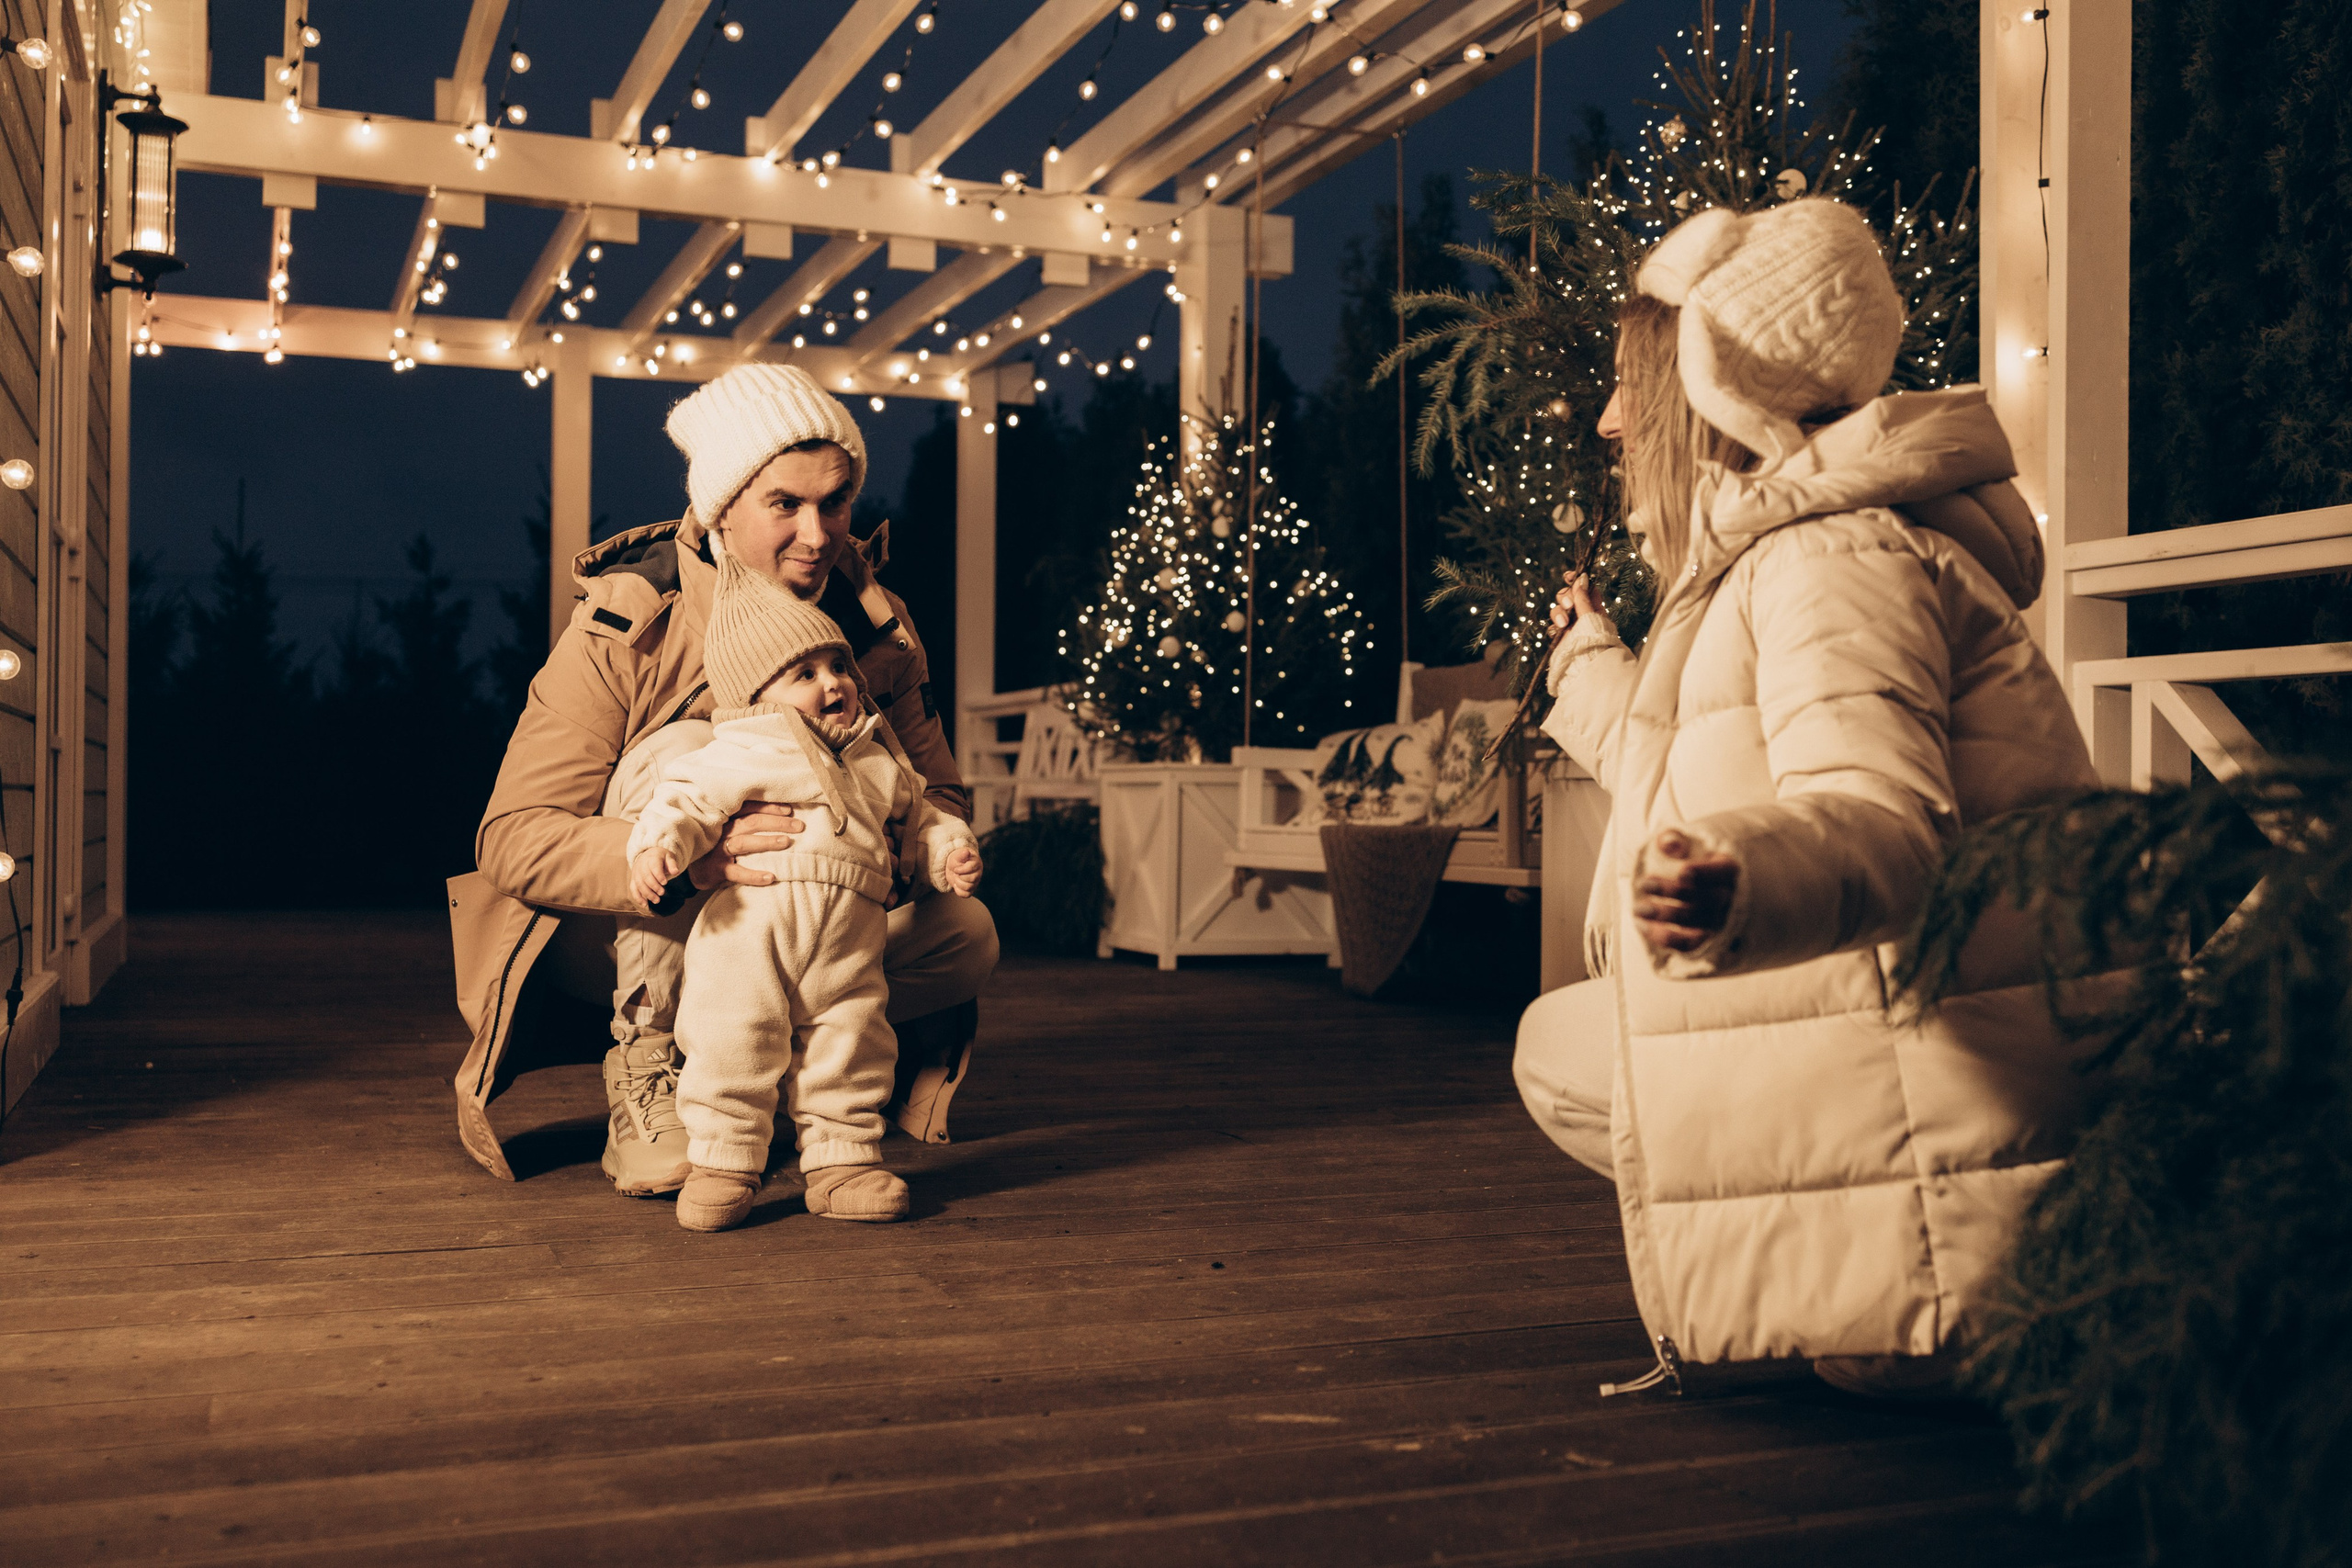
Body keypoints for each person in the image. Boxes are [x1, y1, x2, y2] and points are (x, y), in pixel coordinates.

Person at [1513, 198, 2102, 1398]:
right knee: (1570, 1033)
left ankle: (1934, 1295)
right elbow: (1717, 770)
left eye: (1640, 383)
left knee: (1566, 1038)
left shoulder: (1834, 559)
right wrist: (1586, 664)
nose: (1612, 418)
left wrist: (1734, 882)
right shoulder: (1806, 549)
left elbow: (1889, 829)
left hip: (1964, 1081)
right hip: (1945, 1044)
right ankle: (1883, 1278)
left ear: (1722, 395)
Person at [449, 364, 999, 1194]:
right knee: (683, 754)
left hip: (817, 917)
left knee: (967, 933)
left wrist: (875, 835)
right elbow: (512, 835)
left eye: (836, 501)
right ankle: (651, 1060)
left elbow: (941, 794)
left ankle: (785, 1069)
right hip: (634, 933)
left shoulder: (875, 622)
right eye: (785, 504)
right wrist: (692, 862)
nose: (819, 534)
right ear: (723, 505)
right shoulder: (629, 621)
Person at [626, 560, 981, 1231]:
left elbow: (921, 816)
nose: (835, 684)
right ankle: (724, 1163)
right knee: (733, 1042)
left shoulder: (875, 757)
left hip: (848, 944)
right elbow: (683, 800)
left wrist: (949, 851)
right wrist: (660, 851)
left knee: (851, 1044)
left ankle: (843, 1161)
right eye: (807, 673)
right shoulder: (739, 748)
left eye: (839, 667)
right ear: (758, 695)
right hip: (747, 939)